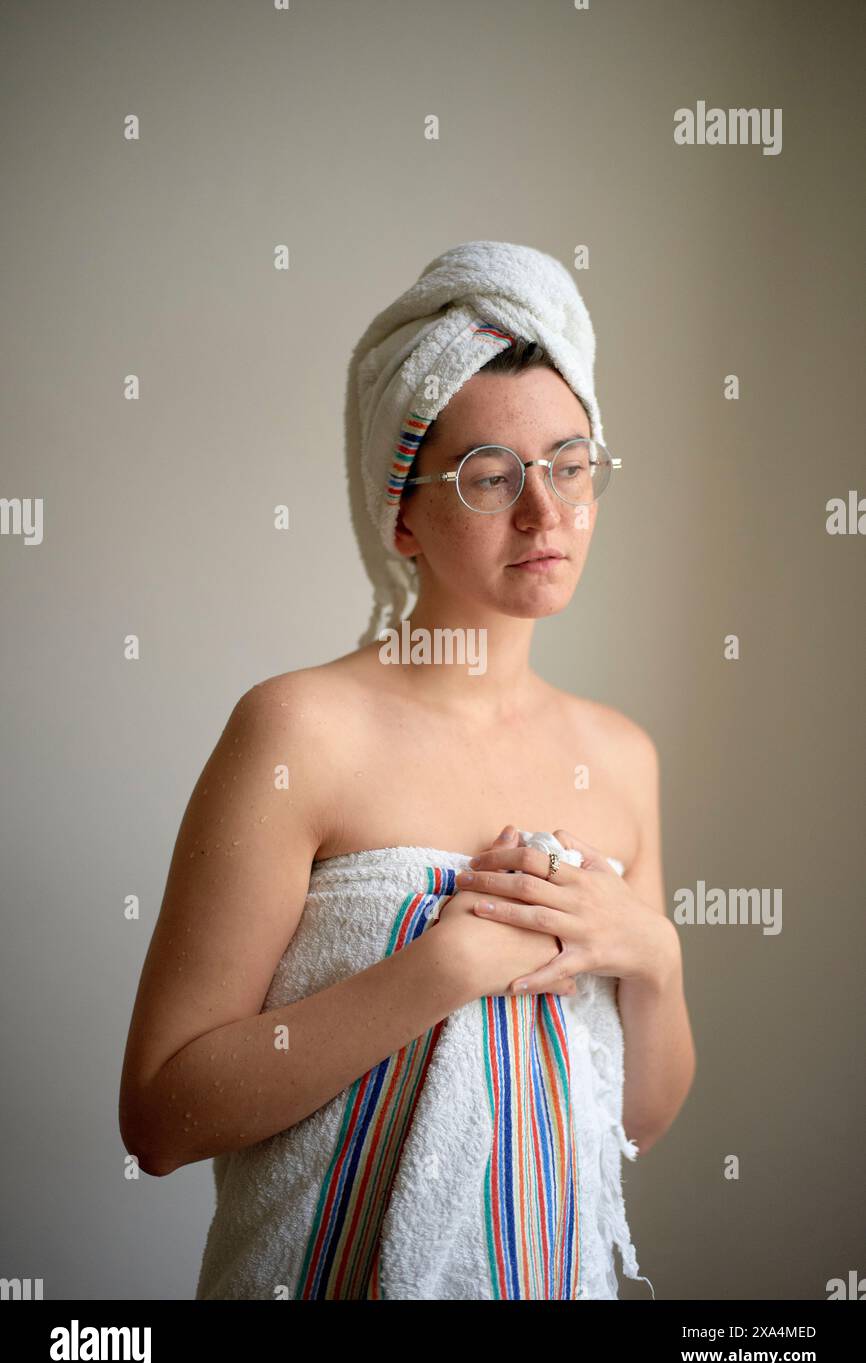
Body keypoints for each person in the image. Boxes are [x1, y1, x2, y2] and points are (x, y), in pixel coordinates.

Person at [119, 241, 696, 1300]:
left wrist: (649, 953)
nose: (544, 511)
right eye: (489, 477)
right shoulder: (298, 731)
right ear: (401, 513)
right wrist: (438, 972)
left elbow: (635, 1120)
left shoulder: (618, 757)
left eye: (570, 464)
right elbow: (159, 1116)